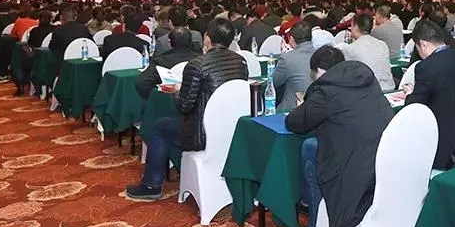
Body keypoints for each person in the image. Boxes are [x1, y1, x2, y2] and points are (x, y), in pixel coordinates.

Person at [286, 46, 394, 227]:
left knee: (311, 151)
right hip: (384, 161)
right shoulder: (365, 78)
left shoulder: (326, 90)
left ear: (319, 71)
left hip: (357, 172)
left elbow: (295, 123)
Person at [126, 17, 248, 199]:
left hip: (202, 134)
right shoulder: (240, 62)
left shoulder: (197, 65)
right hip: (232, 129)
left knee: (157, 127)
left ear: (207, 38)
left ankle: (152, 185)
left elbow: (184, 106)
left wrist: (178, 91)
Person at [402, 19, 455, 172]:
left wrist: (410, 94)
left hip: (443, 145)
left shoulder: (426, 67)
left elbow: (415, 107)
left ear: (423, 44)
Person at [134, 27, 199, 99]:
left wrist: (158, 96)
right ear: (190, 41)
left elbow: (141, 84)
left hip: (167, 102)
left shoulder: (160, 61)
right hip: (196, 101)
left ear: (169, 42)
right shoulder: (201, 59)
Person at [343, 13, 395, 91]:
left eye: (351, 25)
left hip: (370, 91)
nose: (350, 28)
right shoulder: (382, 44)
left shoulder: (351, 49)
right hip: (389, 87)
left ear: (356, 27)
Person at [272, 22, 316, 111]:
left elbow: (274, 83)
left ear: (291, 38)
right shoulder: (322, 54)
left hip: (293, 109)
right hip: (317, 106)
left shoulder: (287, 58)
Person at [12, 10, 56, 96]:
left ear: (38, 19)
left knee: (19, 59)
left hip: (36, 61)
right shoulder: (56, 29)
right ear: (51, 19)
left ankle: (21, 85)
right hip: (52, 60)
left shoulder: (34, 31)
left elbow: (30, 45)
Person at [48, 7, 92, 75]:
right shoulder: (84, 28)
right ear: (75, 18)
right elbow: (91, 43)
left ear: (61, 17)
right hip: (82, 62)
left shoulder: (58, 30)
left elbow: (52, 47)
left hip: (63, 65)